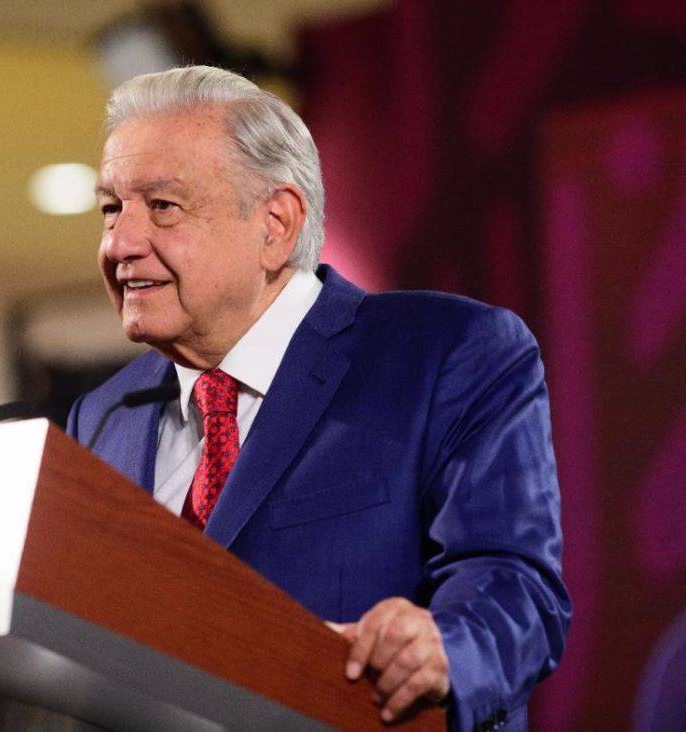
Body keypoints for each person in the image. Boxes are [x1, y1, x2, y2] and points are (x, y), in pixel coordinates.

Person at [66, 65, 569, 731]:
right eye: (111, 209)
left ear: (275, 223)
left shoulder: (446, 355)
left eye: (162, 206)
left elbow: (518, 589)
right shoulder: (99, 419)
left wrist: (446, 647)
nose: (121, 244)